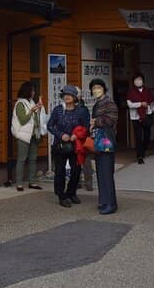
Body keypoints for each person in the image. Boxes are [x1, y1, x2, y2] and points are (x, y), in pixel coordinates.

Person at [46, 85, 89, 208]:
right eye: (65, 95)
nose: (67, 97)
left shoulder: (81, 110)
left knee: (76, 170)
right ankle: (61, 195)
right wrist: (61, 135)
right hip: (60, 145)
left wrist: (77, 135)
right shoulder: (58, 109)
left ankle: (71, 192)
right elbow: (50, 125)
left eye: (70, 95)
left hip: (76, 145)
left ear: (75, 97)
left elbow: (85, 126)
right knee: (60, 171)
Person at [89, 78, 118, 214]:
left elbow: (112, 120)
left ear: (104, 89)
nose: (96, 90)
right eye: (94, 88)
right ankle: (104, 201)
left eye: (98, 88)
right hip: (98, 140)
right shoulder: (98, 104)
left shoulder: (109, 103)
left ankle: (110, 204)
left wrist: (96, 121)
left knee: (106, 172)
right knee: (101, 172)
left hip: (106, 140)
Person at [11, 81, 45, 192]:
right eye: (32, 90)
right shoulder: (20, 103)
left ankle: (32, 182)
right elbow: (23, 120)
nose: (34, 92)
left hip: (33, 134)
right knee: (21, 159)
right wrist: (31, 110)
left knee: (33, 159)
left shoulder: (31, 102)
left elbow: (36, 118)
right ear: (27, 91)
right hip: (23, 135)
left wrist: (39, 108)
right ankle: (19, 184)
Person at [126, 73, 154, 164]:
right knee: (138, 137)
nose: (138, 81)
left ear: (143, 81)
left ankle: (143, 148)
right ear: (133, 81)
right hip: (135, 117)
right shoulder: (131, 91)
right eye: (136, 79)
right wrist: (140, 104)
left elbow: (152, 103)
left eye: (140, 79)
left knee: (147, 136)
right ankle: (140, 156)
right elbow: (129, 104)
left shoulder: (147, 91)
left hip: (147, 115)